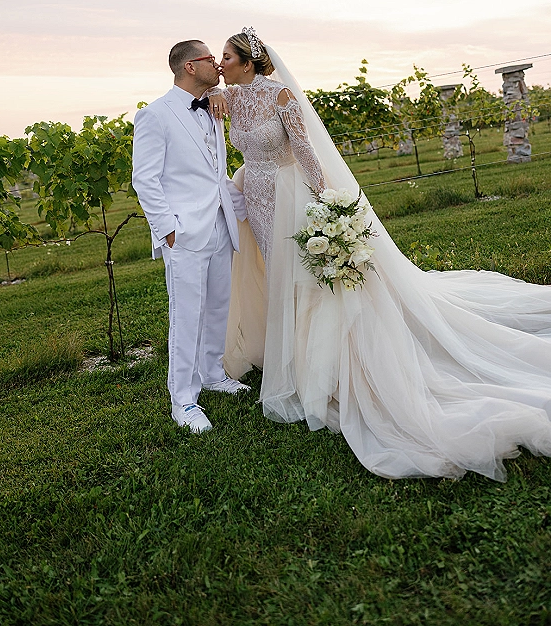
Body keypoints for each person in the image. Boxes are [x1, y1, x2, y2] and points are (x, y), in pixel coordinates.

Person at [213, 27, 551, 480]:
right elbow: (219, 115)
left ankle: (321, 363)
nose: (221, 63)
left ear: (249, 61)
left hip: (290, 195)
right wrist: (217, 92)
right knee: (275, 274)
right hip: (252, 197)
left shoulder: (281, 99)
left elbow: (308, 154)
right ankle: (288, 347)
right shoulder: (230, 99)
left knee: (304, 278)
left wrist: (331, 203)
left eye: (227, 57)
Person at [132, 39, 249, 434]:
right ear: (189, 67)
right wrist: (166, 229)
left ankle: (214, 374)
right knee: (186, 315)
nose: (218, 64)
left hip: (219, 223)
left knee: (219, 305)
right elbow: (144, 179)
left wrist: (217, 91)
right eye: (210, 59)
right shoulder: (155, 115)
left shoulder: (212, 104)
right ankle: (183, 400)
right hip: (182, 232)